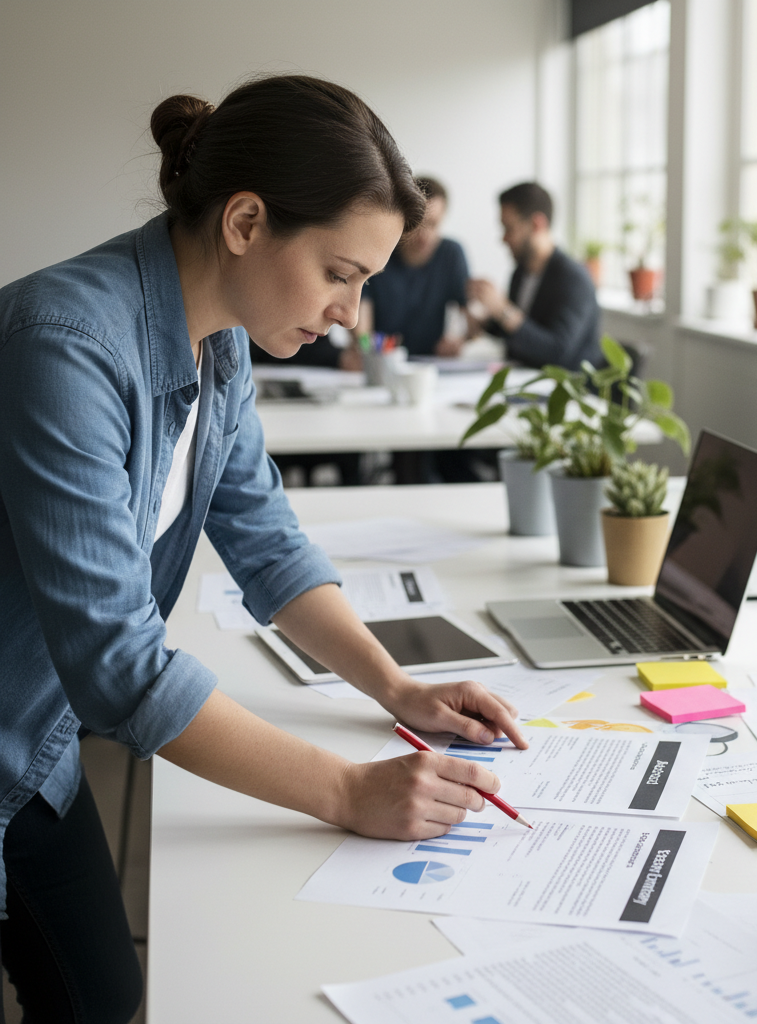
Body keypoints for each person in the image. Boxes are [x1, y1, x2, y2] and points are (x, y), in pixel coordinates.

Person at [0, 75, 525, 1024]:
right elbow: (120, 667)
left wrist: (396, 689)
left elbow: (268, 545)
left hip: (30, 741)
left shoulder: (223, 346)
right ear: (245, 222)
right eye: (339, 273)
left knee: (101, 1001)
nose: (350, 314)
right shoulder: (65, 342)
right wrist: (347, 792)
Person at [467, 182, 602, 370]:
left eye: (509, 228)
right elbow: (521, 334)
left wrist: (502, 309)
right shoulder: (521, 273)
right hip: (523, 380)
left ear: (536, 224)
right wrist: (485, 320)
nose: (503, 238)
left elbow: (557, 351)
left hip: (563, 391)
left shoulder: (574, 279)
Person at [353, 175, 470, 359]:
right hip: (384, 360)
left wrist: (458, 341)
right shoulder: (380, 251)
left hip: (432, 362)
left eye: (434, 224)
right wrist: (365, 350)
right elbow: (361, 324)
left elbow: (468, 315)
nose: (425, 235)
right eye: (419, 224)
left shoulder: (451, 253)